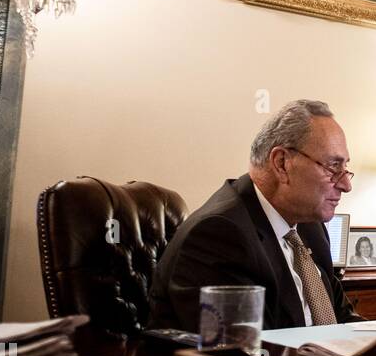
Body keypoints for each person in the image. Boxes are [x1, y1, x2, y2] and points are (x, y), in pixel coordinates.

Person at [149, 100, 361, 332]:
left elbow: (343, 320)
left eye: (345, 168)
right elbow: (244, 353)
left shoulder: (310, 227)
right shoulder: (219, 235)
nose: (346, 185)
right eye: (333, 167)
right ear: (282, 163)